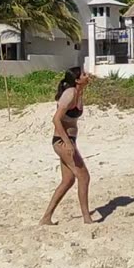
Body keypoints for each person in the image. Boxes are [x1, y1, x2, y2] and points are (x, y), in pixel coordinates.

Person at [40, 67, 96, 224]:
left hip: (69, 140)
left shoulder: (79, 93)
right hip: (62, 141)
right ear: (77, 80)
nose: (87, 75)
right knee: (84, 176)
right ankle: (87, 218)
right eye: (84, 74)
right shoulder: (70, 94)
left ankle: (46, 218)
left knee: (68, 180)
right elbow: (56, 119)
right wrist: (66, 142)